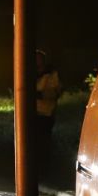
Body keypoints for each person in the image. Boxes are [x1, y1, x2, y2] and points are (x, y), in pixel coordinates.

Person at [34, 49, 61, 179]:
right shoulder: (30, 72)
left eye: (38, 58)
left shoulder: (50, 74)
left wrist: (40, 94)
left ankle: (45, 170)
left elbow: (54, 92)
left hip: (45, 113)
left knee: (43, 143)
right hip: (32, 114)